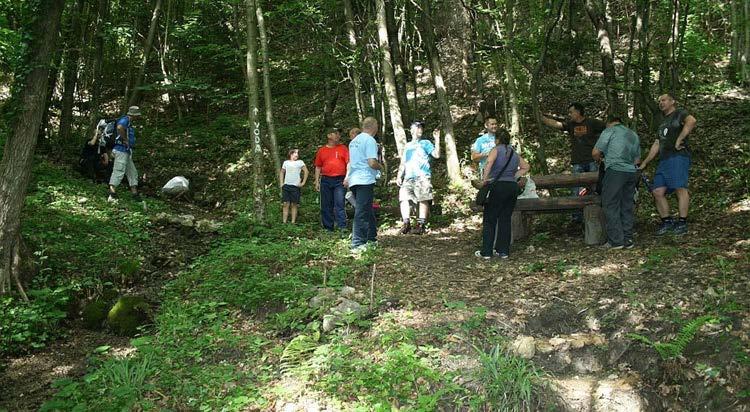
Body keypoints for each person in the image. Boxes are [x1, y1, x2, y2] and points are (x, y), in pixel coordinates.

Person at [638, 93, 697, 235]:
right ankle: (667, 221)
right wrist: (645, 162)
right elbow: (657, 143)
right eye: (659, 101)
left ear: (672, 101)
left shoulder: (679, 113)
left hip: (678, 156)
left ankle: (682, 222)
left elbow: (692, 121)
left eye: (664, 100)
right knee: (657, 191)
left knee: (679, 187)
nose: (661, 103)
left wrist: (680, 139)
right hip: (664, 160)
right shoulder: (662, 121)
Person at [540, 103, 606, 220]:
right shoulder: (571, 125)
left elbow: (608, 129)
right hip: (577, 161)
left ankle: (596, 214)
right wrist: (543, 119)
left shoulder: (592, 123)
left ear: (578, 112)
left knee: (594, 187)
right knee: (575, 188)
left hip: (592, 160)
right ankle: (577, 216)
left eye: (571, 112)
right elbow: (557, 124)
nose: (569, 114)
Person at [476, 134, 530, 259]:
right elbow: (526, 166)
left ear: (497, 140)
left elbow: (489, 163)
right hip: (512, 187)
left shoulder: (495, 150)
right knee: (505, 218)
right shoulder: (513, 153)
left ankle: (487, 251)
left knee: (490, 219)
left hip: (497, 186)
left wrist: (485, 180)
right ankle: (503, 251)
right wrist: (515, 176)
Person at [592, 115, 641, 249]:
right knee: (626, 205)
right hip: (631, 173)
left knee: (610, 203)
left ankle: (616, 241)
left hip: (615, 170)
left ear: (609, 123)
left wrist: (601, 160)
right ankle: (628, 240)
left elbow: (595, 152)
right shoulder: (633, 134)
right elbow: (637, 160)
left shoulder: (609, 131)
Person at [396, 121, 441, 235]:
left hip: (422, 176)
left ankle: (421, 225)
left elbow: (436, 155)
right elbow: (403, 162)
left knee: (423, 199)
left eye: (421, 128)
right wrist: (399, 175)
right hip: (408, 177)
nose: (420, 129)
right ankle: (406, 223)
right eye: (418, 127)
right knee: (403, 199)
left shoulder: (425, 143)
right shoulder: (407, 145)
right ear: (411, 130)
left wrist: (437, 139)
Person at [345, 117, 382, 252]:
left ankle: (371, 238)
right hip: (364, 180)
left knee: (367, 209)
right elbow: (372, 162)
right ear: (374, 126)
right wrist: (380, 167)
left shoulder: (354, 141)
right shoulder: (370, 140)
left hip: (354, 179)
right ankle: (357, 243)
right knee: (361, 210)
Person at [314, 127, 349, 231]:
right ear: (329, 136)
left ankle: (342, 226)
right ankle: (328, 227)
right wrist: (317, 181)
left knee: (339, 203)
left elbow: (349, 163)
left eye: (339, 134)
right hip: (325, 179)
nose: (338, 136)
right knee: (326, 204)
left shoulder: (343, 148)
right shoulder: (322, 150)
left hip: (340, 180)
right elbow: (318, 166)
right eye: (336, 134)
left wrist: (347, 178)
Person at [108, 106, 143, 202]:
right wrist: (125, 139)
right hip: (121, 150)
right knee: (118, 171)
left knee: (132, 172)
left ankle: (135, 194)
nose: (138, 117)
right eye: (137, 115)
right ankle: (112, 194)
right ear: (133, 115)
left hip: (126, 151)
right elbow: (119, 128)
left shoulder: (129, 122)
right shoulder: (125, 120)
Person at [280, 149, 308, 224]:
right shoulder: (286, 162)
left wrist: (303, 182)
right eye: (295, 153)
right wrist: (281, 183)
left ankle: (293, 222)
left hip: (295, 186)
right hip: (286, 186)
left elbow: (306, 171)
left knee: (294, 204)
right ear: (291, 154)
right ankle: (284, 222)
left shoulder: (300, 162)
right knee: (285, 204)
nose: (297, 155)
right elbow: (282, 172)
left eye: (298, 153)